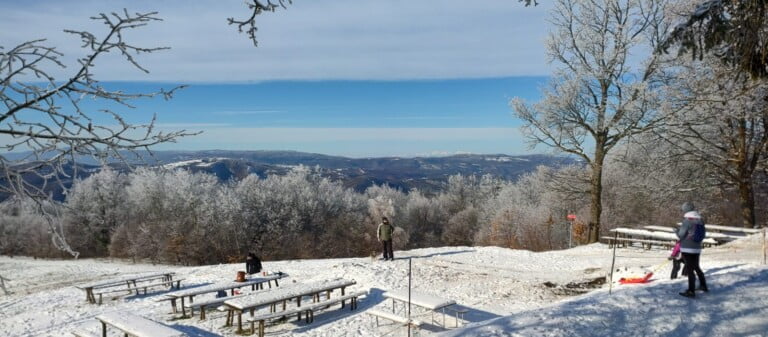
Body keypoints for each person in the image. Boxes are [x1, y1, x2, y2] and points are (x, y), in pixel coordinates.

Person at [677, 202, 708, 298]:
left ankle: (691, 291)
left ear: (685, 210)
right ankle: (703, 285)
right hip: (697, 248)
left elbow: (681, 235)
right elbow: (703, 234)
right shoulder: (700, 220)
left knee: (690, 270)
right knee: (697, 267)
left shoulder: (687, 221)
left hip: (687, 248)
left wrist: (676, 231)